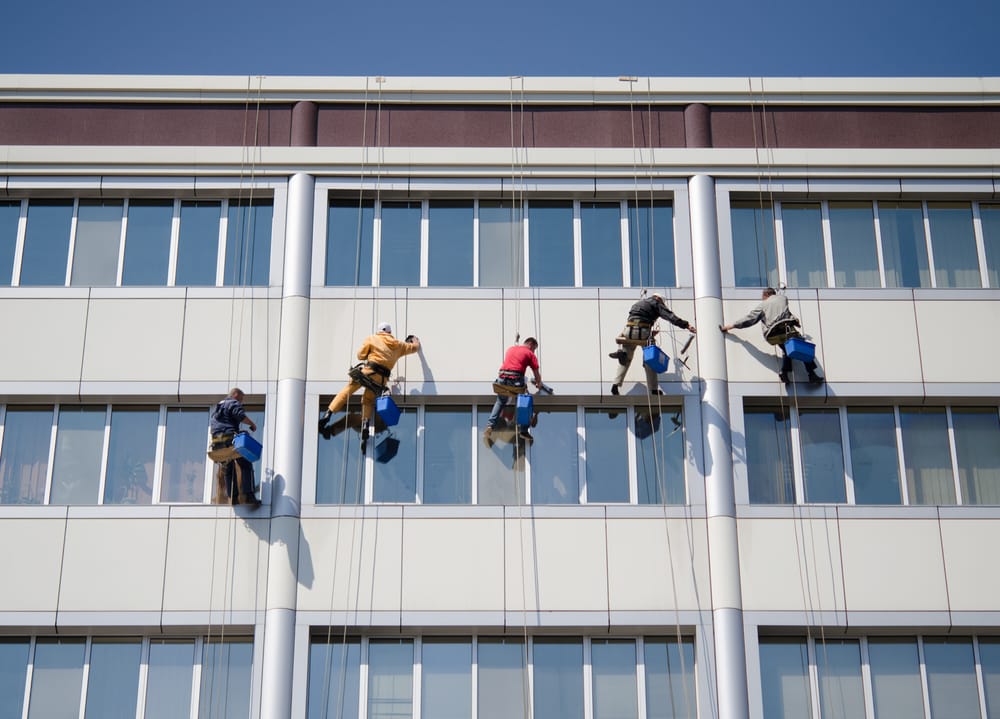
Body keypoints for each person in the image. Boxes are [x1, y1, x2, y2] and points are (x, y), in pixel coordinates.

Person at [318, 322, 420, 453]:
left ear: (379, 331)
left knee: (347, 391)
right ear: (389, 332)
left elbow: (360, 355)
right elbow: (414, 347)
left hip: (369, 371)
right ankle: (365, 424)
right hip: (381, 380)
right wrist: (414, 340)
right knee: (367, 400)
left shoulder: (372, 338)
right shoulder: (399, 345)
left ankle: (328, 414)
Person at [720, 287, 823, 386]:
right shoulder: (783, 298)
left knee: (788, 350)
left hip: (773, 333)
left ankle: (786, 373)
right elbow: (786, 312)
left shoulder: (763, 305)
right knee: (801, 347)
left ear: (766, 295)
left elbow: (750, 319)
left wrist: (731, 326)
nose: (762, 299)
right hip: (786, 329)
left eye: (763, 296)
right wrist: (795, 322)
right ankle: (810, 374)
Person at [608, 294, 696, 395]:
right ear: (659, 299)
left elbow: (636, 319)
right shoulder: (656, 303)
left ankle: (615, 385)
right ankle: (653, 390)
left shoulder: (639, 303)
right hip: (643, 332)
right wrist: (686, 325)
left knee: (625, 358)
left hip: (628, 331)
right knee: (651, 359)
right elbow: (670, 316)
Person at [483, 338, 541, 447]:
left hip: (501, 379)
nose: (533, 351)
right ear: (531, 344)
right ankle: (523, 430)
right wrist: (539, 383)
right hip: (515, 380)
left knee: (500, 402)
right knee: (525, 400)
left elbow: (512, 363)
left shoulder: (511, 349)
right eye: (534, 349)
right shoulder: (529, 353)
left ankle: (490, 426)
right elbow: (536, 373)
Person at [209, 388, 260, 508]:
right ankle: (249, 495)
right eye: (241, 399)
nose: (241, 402)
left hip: (217, 443)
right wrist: (252, 424)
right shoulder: (232, 402)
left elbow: (220, 424)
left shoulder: (218, 407)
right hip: (229, 439)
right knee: (245, 463)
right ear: (236, 395)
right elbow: (240, 415)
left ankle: (233, 497)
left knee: (228, 467)